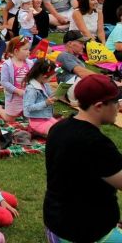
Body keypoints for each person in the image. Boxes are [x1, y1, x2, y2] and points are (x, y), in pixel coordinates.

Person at [44, 74, 122, 243]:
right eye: (116, 102)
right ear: (99, 106)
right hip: (85, 231)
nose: (119, 107)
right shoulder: (96, 143)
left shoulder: (59, 127)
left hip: (55, 222)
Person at [22, 58, 62, 137]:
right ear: (44, 76)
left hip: (46, 117)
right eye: (51, 77)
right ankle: (34, 129)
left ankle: (38, 131)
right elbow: (28, 108)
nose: (51, 80)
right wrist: (45, 103)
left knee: (62, 129)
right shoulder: (32, 89)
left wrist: (57, 94)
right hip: (37, 122)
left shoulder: (45, 84)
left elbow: (49, 95)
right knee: (58, 135)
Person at [0, 36, 33, 122]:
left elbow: (33, 77)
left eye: (28, 49)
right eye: (25, 49)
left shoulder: (29, 63)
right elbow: (4, 82)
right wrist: (17, 90)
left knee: (30, 118)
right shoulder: (7, 65)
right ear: (16, 51)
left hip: (28, 96)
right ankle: (0, 109)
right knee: (9, 119)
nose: (28, 51)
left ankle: (24, 113)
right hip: (14, 97)